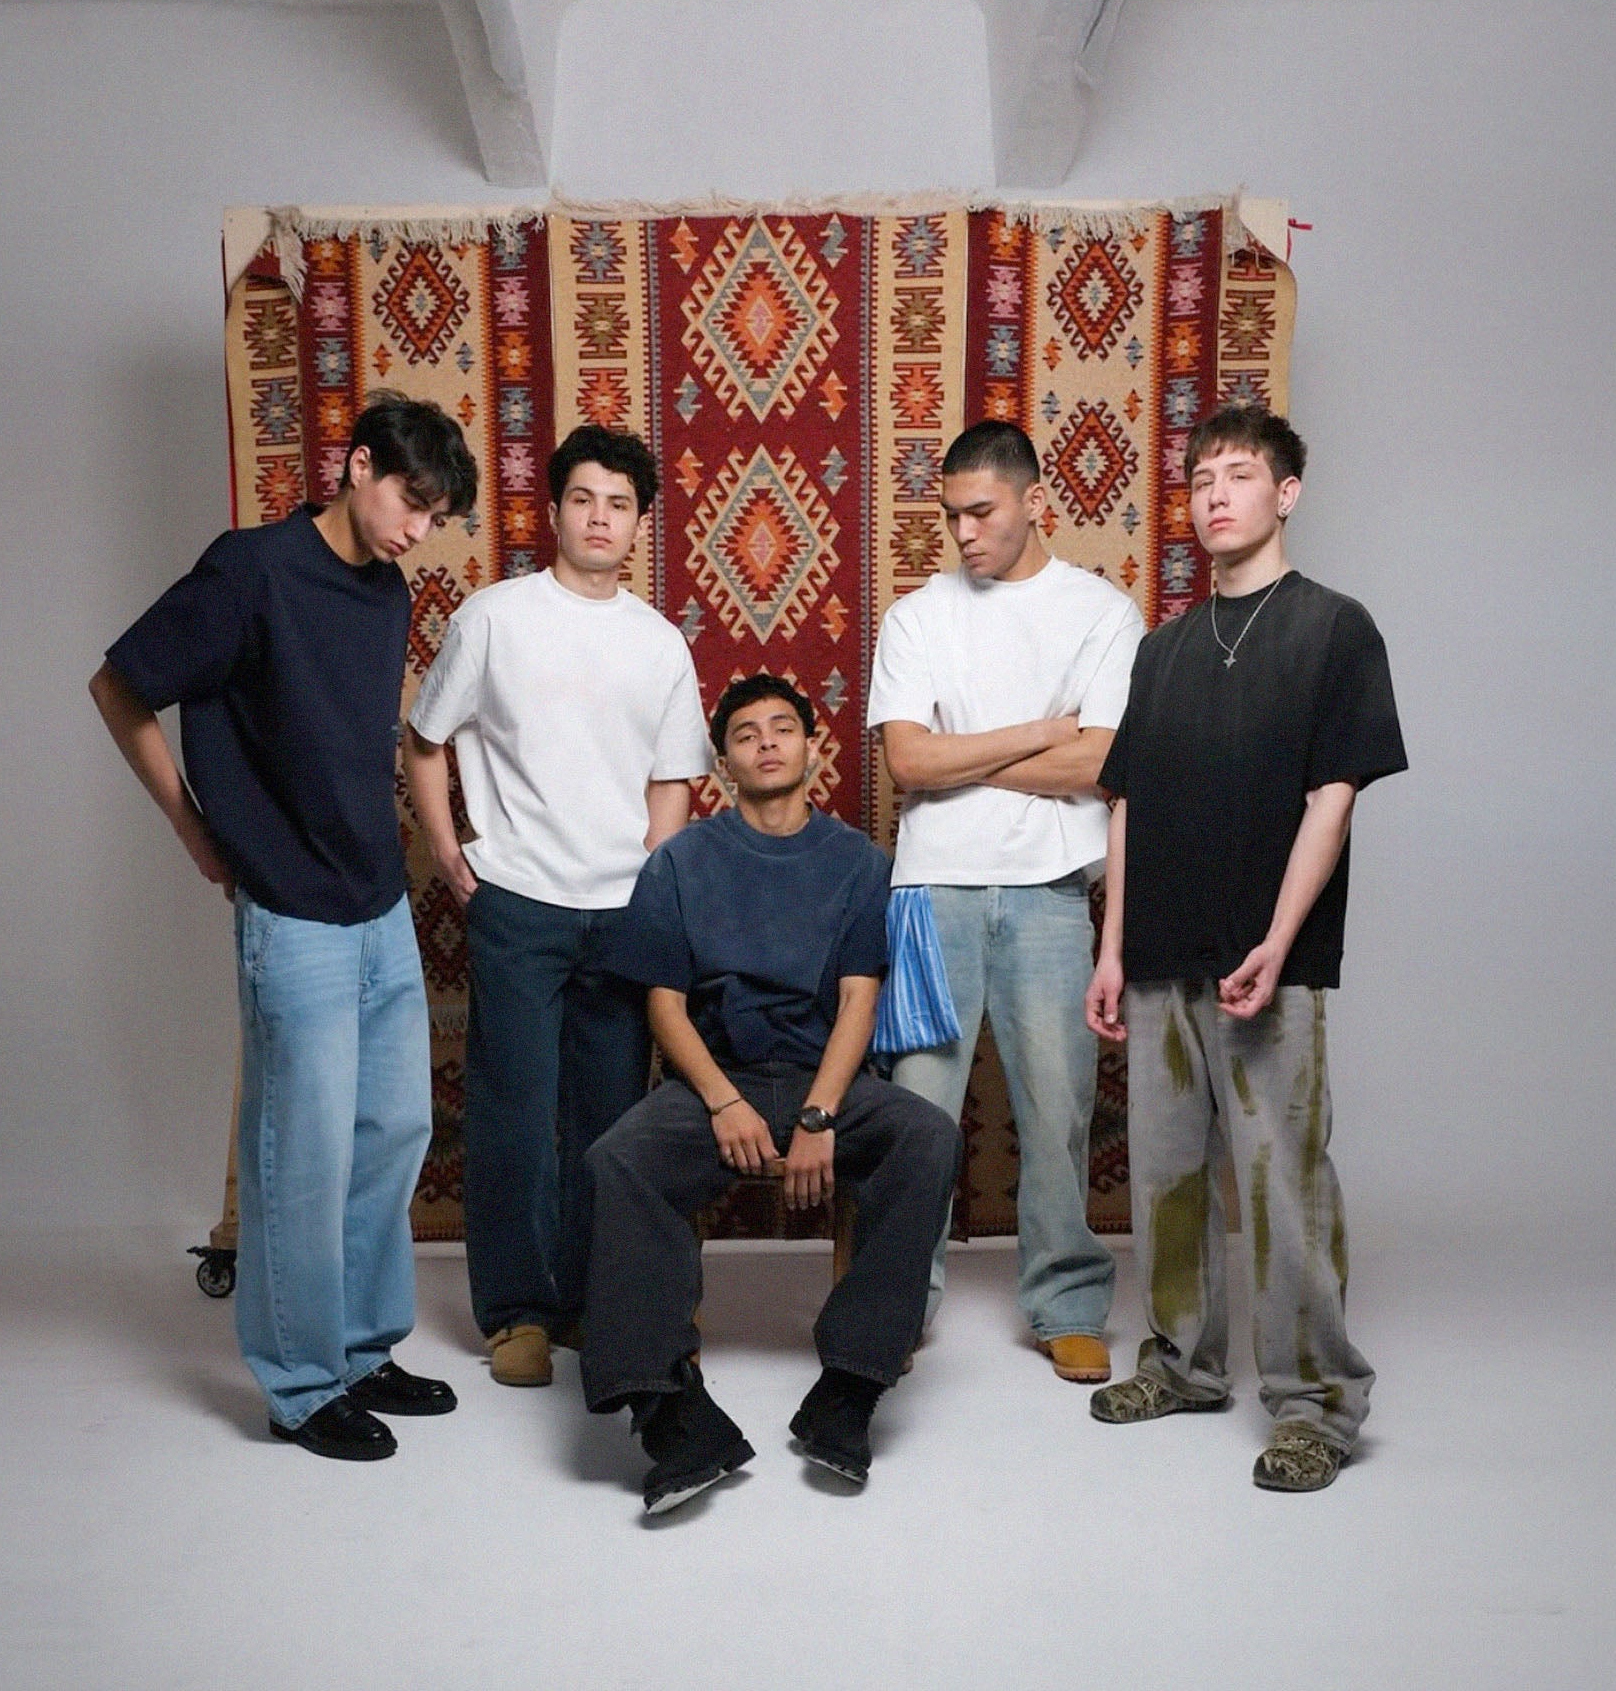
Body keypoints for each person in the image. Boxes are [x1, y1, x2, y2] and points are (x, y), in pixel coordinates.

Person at [88, 392, 478, 1463]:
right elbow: (119, 686)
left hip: (378, 902)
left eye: (436, 515)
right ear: (357, 466)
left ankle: (358, 1348)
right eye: (410, 500)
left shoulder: (389, 590)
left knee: (392, 1133)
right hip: (292, 913)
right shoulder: (250, 570)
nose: (417, 529)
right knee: (301, 1151)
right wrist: (192, 829)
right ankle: (301, 1387)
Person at [1083, 402, 1407, 1493]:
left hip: (1269, 959)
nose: (1216, 495)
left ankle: (1317, 1403)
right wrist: (1113, 948)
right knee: (1167, 1177)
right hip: (1160, 953)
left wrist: (1278, 937)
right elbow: (1126, 805)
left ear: (1286, 493)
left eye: (1239, 475)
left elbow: (1334, 794)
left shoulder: (1334, 629)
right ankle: (1182, 1364)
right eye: (1200, 479)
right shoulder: (1162, 650)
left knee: (1281, 1181)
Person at [579, 674, 963, 1514]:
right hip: (721, 1081)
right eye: (746, 734)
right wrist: (723, 1102)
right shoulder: (681, 862)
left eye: (782, 728)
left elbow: (860, 1000)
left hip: (828, 1080)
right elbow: (664, 1008)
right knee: (618, 1160)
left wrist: (821, 1113)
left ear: (812, 747)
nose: (766, 743)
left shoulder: (858, 862)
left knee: (928, 1135)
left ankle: (850, 1389)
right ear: (723, 763)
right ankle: (670, 1415)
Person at [403, 425, 712, 1389]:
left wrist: (653, 880)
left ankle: (587, 1300)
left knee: (609, 1120)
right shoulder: (494, 619)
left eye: (618, 505)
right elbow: (424, 739)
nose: (599, 519)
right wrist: (447, 847)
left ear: (640, 523)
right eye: (583, 500)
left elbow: (673, 777)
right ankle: (516, 1313)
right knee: (512, 1111)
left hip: (622, 910)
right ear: (554, 510)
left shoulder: (658, 643)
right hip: (520, 901)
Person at [867, 418, 1140, 1383]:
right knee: (918, 1114)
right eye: (951, 515)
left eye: (981, 512)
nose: (964, 532)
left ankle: (1067, 1303)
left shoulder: (1103, 614)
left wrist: (967, 756)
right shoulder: (916, 618)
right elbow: (907, 761)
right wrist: (1038, 732)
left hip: (1052, 893)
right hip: (930, 891)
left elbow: (1102, 762)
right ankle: (896, 1301)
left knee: (1059, 1109)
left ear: (1035, 500)